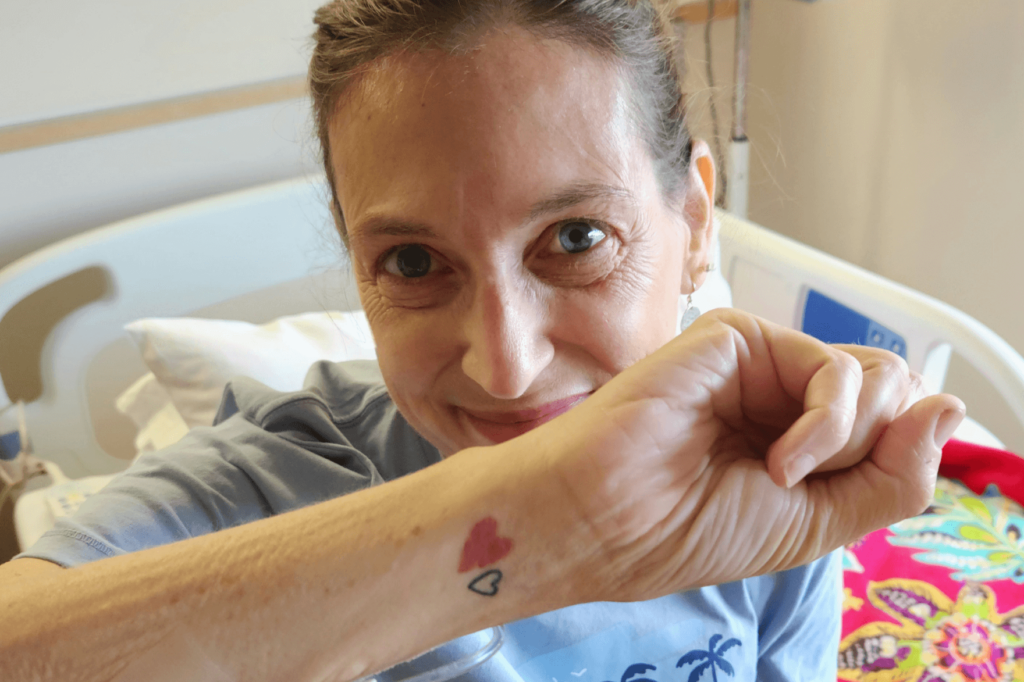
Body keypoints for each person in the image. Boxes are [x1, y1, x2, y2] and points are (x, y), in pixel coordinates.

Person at [0, 1, 965, 681]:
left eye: (577, 241)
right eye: (415, 264)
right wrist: (543, 520)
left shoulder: (774, 477)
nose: (503, 365)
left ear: (697, 221)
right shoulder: (262, 493)